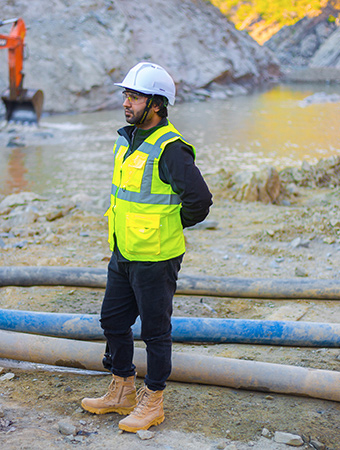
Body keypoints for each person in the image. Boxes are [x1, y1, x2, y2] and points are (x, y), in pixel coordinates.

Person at [81, 62, 212, 433]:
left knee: (155, 330)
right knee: (113, 320)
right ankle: (122, 388)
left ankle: (152, 400)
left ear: (156, 104)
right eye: (126, 94)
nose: (126, 101)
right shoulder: (127, 140)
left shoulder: (171, 148)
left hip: (156, 256)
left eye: (134, 96)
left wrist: (167, 224)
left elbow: (199, 201)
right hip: (123, 251)